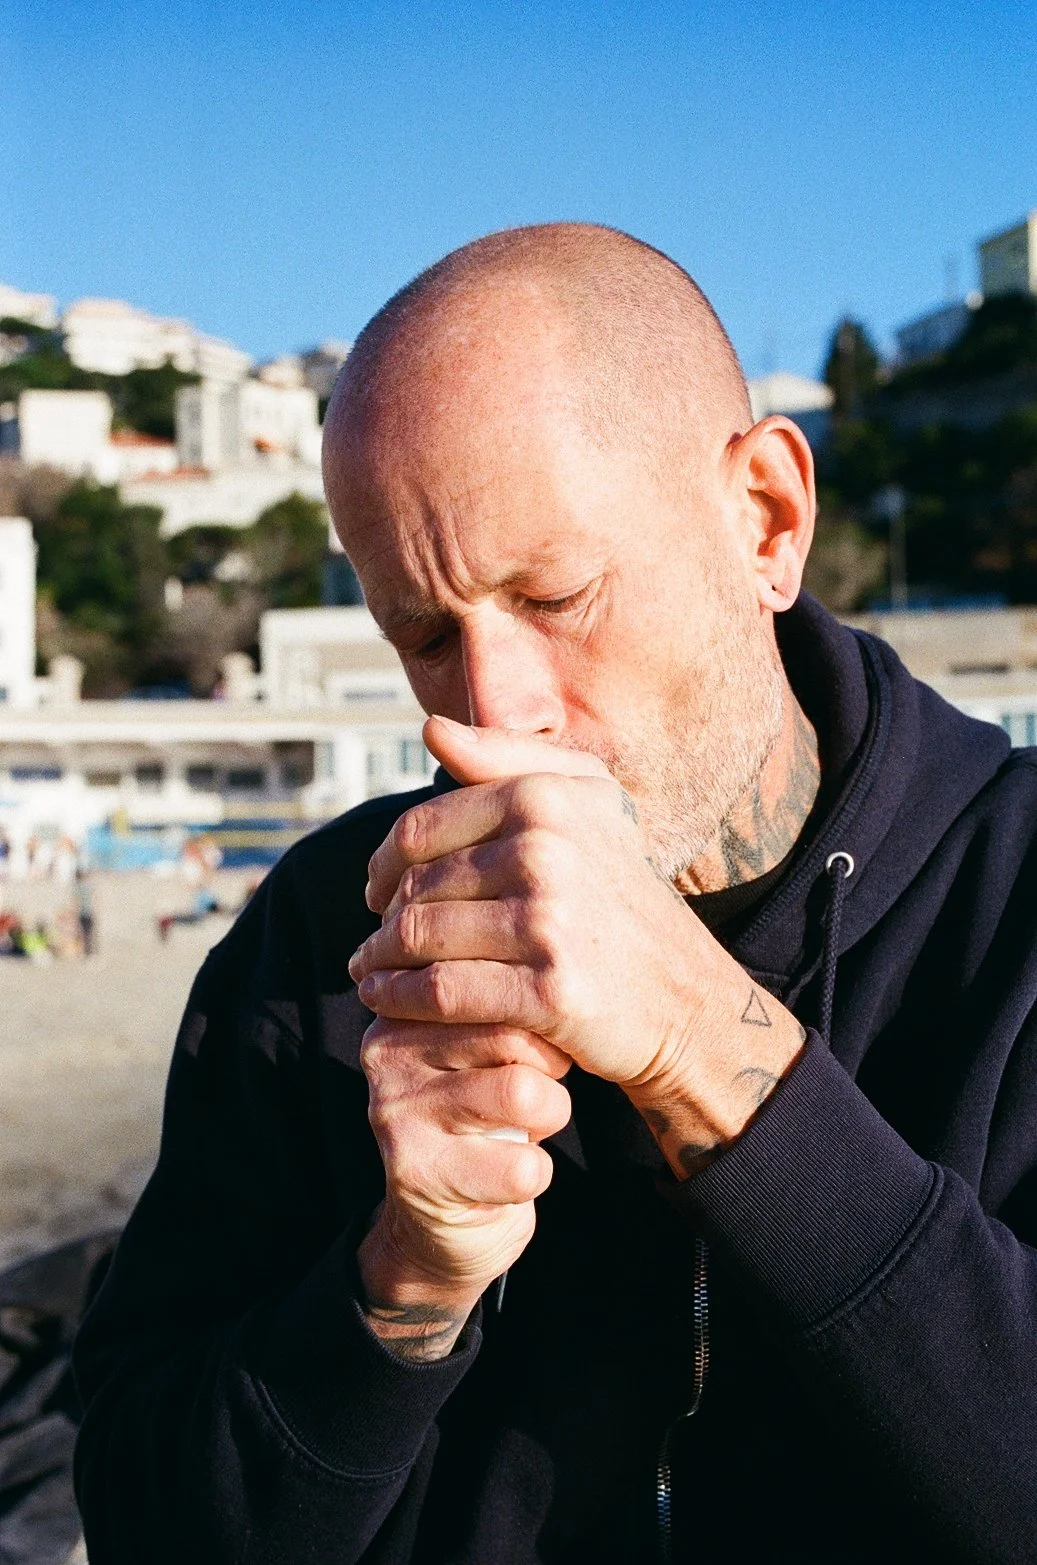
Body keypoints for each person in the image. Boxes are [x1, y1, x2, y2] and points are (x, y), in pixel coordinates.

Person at [73, 226, 1037, 1564]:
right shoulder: (324, 938)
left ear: (766, 519)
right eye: (421, 636)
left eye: (555, 592)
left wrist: (714, 1055)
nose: (491, 708)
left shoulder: (1016, 895)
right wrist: (402, 1283)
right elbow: (142, 1519)